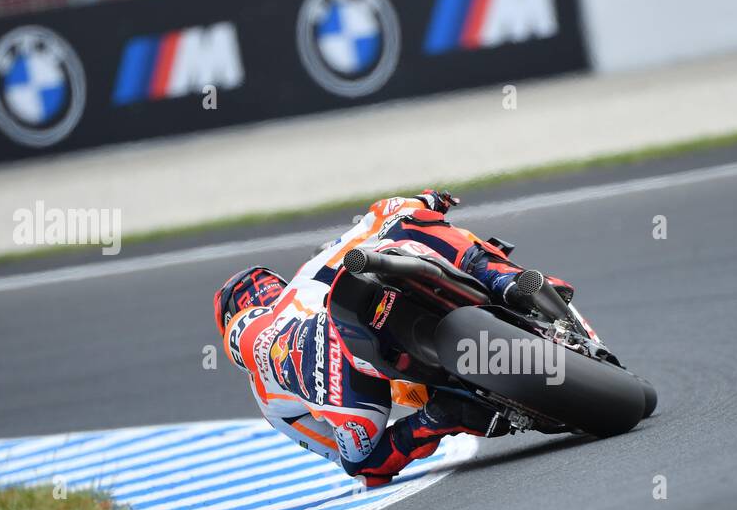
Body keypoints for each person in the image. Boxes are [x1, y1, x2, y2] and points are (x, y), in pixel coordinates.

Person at [213, 190, 527, 487]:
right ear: (277, 285)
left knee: (362, 464)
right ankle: (503, 278)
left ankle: (442, 416)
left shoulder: (267, 397)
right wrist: (428, 199)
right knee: (410, 224)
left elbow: (348, 460)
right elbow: (379, 218)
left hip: (354, 376)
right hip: (363, 328)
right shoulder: (306, 276)